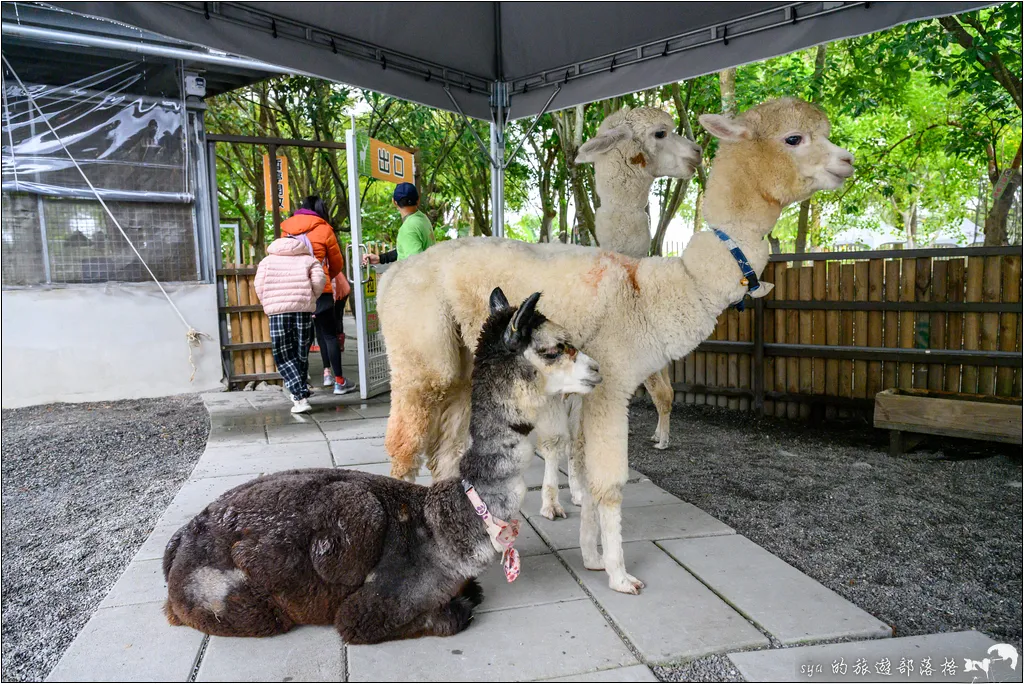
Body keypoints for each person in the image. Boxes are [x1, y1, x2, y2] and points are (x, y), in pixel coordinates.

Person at [281, 196, 355, 395]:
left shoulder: (287, 228)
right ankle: (339, 382)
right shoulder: (324, 229)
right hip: (320, 290)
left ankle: (300, 384)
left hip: (295, 289)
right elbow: (337, 264)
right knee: (329, 335)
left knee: (300, 338)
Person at [254, 235, 326, 414]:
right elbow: (319, 282)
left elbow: (259, 285)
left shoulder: (267, 261)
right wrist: (310, 299)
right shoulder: (309, 260)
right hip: (303, 311)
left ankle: (299, 395)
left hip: (278, 312)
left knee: (284, 354)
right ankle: (300, 393)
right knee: (301, 352)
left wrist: (268, 303)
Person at [362, 183, 435, 265]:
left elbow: (415, 265)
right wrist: (381, 258)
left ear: (394, 202)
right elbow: (408, 249)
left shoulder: (408, 228)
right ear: (418, 200)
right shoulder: (422, 218)